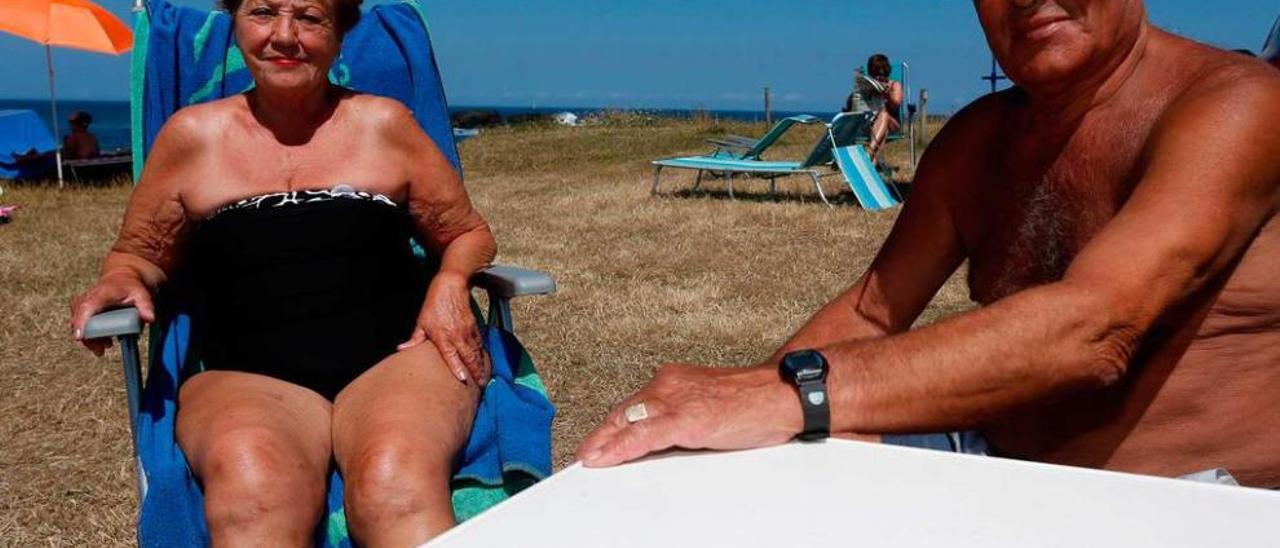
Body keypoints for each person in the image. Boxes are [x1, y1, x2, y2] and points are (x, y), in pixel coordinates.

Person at [578, 0, 1280, 489]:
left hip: (1191, 502)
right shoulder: (977, 139)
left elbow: (1096, 327)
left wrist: (794, 395)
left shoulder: (1235, 104)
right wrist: (733, 412)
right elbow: (873, 312)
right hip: (988, 466)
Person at [69, 0, 496, 544]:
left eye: (311, 18)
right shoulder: (192, 137)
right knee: (255, 495)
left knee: (396, 485)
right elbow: (140, 253)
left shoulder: (384, 124)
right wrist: (120, 280)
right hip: (245, 376)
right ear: (236, 25)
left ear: (340, 34)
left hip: (397, 360)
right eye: (263, 12)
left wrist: (450, 283)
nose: (284, 36)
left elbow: (466, 232)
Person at [842, 53, 903, 163]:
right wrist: (858, 93)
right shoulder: (867, 84)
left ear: (886, 71)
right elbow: (850, 104)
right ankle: (872, 165)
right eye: (875, 75)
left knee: (883, 114)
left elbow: (896, 106)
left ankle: (869, 151)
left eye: (881, 74)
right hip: (869, 124)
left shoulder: (894, 85)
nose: (879, 77)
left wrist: (886, 94)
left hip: (892, 122)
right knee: (883, 132)